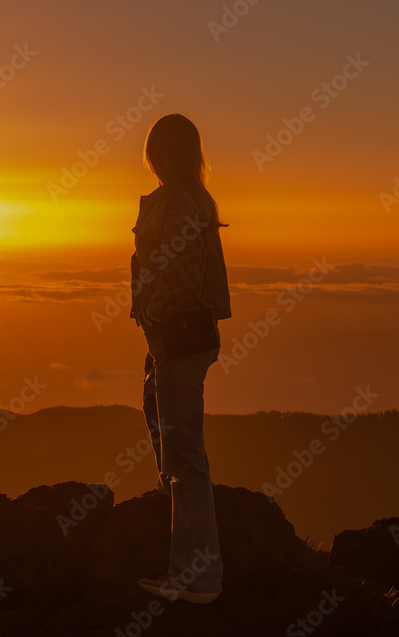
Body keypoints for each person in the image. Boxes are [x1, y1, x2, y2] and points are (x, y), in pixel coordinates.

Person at [129, 113, 232, 604]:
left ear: (162, 152)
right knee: (168, 437)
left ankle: (196, 579)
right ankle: (186, 563)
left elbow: (178, 276)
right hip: (172, 341)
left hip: (178, 341)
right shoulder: (185, 199)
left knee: (185, 455)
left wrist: (151, 313)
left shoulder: (182, 203)